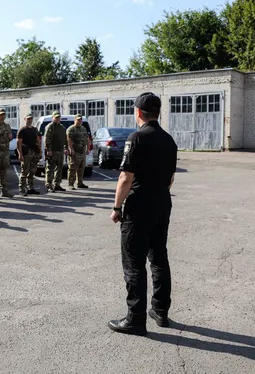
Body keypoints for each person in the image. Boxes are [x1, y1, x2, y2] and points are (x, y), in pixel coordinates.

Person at [107, 92, 177, 335]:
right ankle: (160, 310)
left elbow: (126, 177)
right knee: (159, 256)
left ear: (138, 112)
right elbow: (170, 179)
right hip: (162, 202)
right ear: (158, 113)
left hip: (139, 205)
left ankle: (135, 319)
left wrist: (117, 207)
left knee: (134, 262)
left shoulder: (136, 138)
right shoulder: (169, 140)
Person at [17, 113, 42, 196]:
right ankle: (22, 189)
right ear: (25, 119)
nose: (29, 120)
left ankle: (30, 188)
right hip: (26, 153)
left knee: (32, 171)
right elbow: (19, 143)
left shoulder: (35, 130)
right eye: (28, 119)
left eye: (31, 119)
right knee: (24, 171)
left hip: (34, 153)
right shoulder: (22, 130)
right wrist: (20, 154)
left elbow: (38, 140)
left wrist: (40, 151)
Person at [44, 111, 67, 193]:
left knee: (59, 168)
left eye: (59, 117)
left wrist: (65, 148)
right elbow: (47, 139)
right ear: (53, 117)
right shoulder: (50, 126)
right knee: (50, 168)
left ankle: (57, 184)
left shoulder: (62, 127)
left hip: (60, 151)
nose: (58, 119)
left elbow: (65, 139)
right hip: (52, 151)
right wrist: (48, 150)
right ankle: (49, 185)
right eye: (56, 117)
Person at [66, 114, 91, 190]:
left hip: (82, 151)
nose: (79, 121)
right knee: (72, 168)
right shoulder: (71, 129)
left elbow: (87, 139)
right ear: (75, 120)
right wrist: (71, 149)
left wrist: (88, 148)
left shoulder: (83, 128)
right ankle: (71, 184)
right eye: (78, 120)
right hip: (75, 152)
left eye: (80, 120)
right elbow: (69, 140)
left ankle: (80, 182)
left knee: (81, 168)